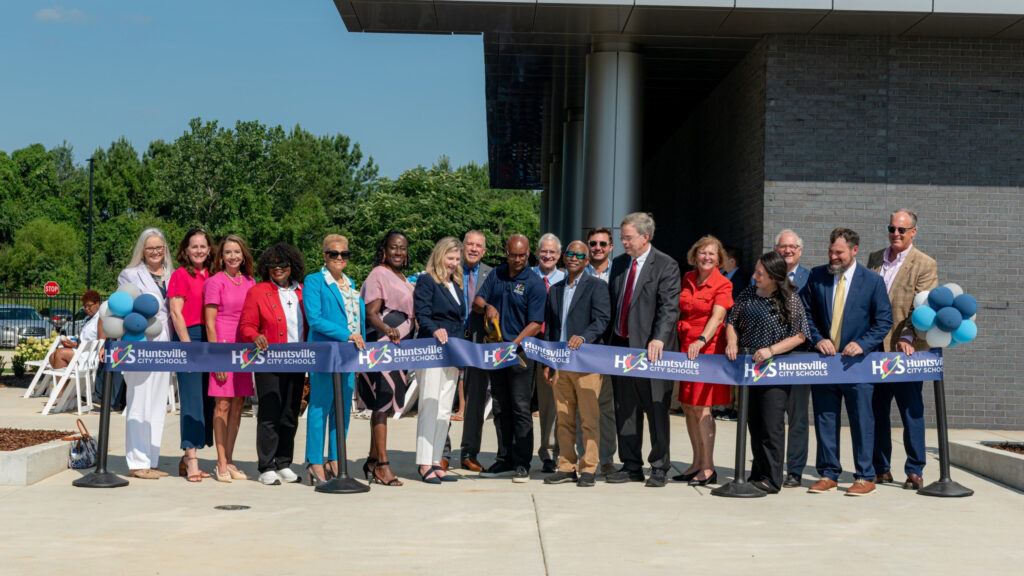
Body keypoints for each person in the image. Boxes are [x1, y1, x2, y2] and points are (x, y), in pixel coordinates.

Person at [801, 228, 892, 496]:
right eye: (830, 251)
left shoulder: (872, 281)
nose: (833, 256)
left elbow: (883, 320)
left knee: (862, 420)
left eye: (839, 252)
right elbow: (806, 314)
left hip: (858, 365)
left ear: (854, 251)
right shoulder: (817, 276)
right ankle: (829, 473)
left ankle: (865, 475)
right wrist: (818, 339)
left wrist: (862, 344)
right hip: (826, 363)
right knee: (825, 418)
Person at [605, 212, 681, 488]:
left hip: (652, 351)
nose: (623, 242)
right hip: (621, 348)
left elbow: (669, 307)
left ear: (644, 237)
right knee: (625, 409)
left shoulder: (666, 265)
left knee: (656, 408)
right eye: (622, 237)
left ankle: (659, 466)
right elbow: (613, 305)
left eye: (628, 237)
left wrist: (659, 338)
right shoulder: (619, 265)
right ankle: (631, 464)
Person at [725, 251, 809, 493]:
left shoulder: (790, 299)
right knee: (754, 423)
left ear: (773, 276)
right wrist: (732, 341)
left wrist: (771, 350)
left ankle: (772, 479)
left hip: (774, 371)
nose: (755, 276)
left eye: (760, 273)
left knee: (771, 425)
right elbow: (732, 320)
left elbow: (800, 335)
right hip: (749, 370)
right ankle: (757, 473)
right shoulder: (748, 293)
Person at [868, 210, 937, 490]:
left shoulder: (925, 263)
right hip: (874, 349)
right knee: (876, 412)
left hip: (904, 351)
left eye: (901, 230)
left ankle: (914, 470)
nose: (895, 234)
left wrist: (907, 336)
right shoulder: (874, 258)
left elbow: (922, 306)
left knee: (911, 411)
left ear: (913, 232)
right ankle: (880, 468)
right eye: (891, 229)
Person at [474, 234, 546, 483]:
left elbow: (536, 324)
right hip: (495, 352)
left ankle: (522, 462)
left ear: (528, 254)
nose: (517, 260)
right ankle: (503, 458)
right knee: (500, 406)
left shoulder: (534, 283)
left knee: (520, 408)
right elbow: (478, 301)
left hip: (520, 354)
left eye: (522, 255)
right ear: (506, 252)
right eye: (513, 255)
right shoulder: (496, 274)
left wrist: (513, 346)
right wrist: (487, 307)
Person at [542, 240, 610, 487]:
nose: (573, 258)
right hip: (561, 364)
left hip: (587, 363)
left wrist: (583, 337)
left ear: (586, 260)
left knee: (589, 419)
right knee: (564, 418)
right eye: (569, 254)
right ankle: (566, 466)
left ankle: (589, 468)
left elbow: (602, 320)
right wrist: (548, 362)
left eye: (579, 255)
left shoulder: (597, 286)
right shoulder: (556, 290)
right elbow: (550, 328)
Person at [239, 243, 307, 486]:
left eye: (283, 264)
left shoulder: (303, 291)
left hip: (298, 361)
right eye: (272, 265)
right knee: (269, 412)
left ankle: (284, 462)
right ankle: (266, 466)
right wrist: (253, 336)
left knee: (290, 413)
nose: (277, 269)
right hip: (268, 361)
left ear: (293, 266)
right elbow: (246, 325)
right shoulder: (258, 291)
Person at [303, 234, 366, 486]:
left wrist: (360, 348)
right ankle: (314, 461)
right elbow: (315, 318)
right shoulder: (315, 281)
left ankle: (336, 459)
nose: (339, 258)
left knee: (342, 410)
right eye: (333, 253)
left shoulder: (350, 284)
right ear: (324, 256)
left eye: (344, 254)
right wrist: (348, 334)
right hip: (325, 353)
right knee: (319, 407)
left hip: (349, 356)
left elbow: (359, 320)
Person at [115, 228, 175, 480]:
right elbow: (123, 309)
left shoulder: (173, 275)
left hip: (166, 343)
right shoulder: (129, 275)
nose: (155, 252)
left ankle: (151, 459)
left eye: (159, 247)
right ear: (142, 249)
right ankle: (137, 461)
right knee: (139, 400)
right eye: (150, 247)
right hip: (139, 343)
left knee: (158, 403)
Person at [358, 230, 416, 487]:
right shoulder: (378, 274)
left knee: (387, 405)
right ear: (384, 249)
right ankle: (382, 465)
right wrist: (387, 330)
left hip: (399, 351)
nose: (398, 252)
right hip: (382, 347)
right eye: (394, 247)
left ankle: (372, 459)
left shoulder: (403, 277)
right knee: (381, 405)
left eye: (402, 248)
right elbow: (372, 313)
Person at [675, 235, 733, 486]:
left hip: (706, 347)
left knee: (702, 406)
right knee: (687, 405)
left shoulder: (723, 283)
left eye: (712, 254)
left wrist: (701, 340)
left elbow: (718, 317)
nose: (707, 257)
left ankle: (708, 467)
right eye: (702, 253)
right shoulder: (687, 278)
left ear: (719, 258)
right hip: (684, 344)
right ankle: (696, 462)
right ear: (694, 255)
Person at [204, 234, 257, 482]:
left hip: (244, 351)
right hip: (223, 348)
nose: (233, 256)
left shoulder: (250, 281)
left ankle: (231, 459)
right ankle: (221, 461)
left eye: (237, 252)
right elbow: (210, 322)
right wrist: (217, 359)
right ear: (221, 257)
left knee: (238, 405)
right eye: (228, 252)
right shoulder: (215, 282)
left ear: (243, 255)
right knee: (222, 405)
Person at [413, 237, 466, 484]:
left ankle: (436, 460)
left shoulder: (456, 284)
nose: (454, 263)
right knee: (429, 405)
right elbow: (422, 313)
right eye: (450, 258)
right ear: (440, 256)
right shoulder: (426, 280)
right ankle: (424, 462)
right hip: (432, 350)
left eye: (457, 259)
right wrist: (434, 329)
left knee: (445, 409)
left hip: (453, 353)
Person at [167, 227, 215, 483]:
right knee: (192, 398)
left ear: (209, 250)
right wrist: (187, 346)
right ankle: (191, 456)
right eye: (194, 246)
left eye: (203, 246)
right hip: (190, 337)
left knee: (209, 399)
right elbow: (176, 313)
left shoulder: (213, 275)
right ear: (186, 250)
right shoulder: (180, 275)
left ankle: (191, 455)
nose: (199, 250)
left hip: (212, 337)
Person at [772, 229, 813, 488]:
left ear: (800, 250)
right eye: (783, 246)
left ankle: (795, 469)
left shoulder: (812, 278)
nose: (787, 250)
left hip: (800, 355)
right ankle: (771, 465)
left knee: (797, 417)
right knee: (772, 415)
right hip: (770, 356)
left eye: (792, 246)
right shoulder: (767, 275)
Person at [583, 227, 617, 476]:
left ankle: (606, 458)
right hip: (581, 348)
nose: (597, 248)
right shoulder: (575, 271)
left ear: (611, 247)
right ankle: (582, 457)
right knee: (579, 405)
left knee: (606, 407)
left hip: (609, 348)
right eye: (593, 243)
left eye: (602, 244)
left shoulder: (619, 273)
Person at [458, 230, 493, 472]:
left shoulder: (493, 274)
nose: (473, 249)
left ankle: (469, 453)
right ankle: (441, 451)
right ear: (462, 247)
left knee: (476, 401)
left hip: (480, 343)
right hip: (450, 340)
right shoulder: (448, 268)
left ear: (484, 251)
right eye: (469, 244)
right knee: (442, 399)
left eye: (478, 246)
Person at [531, 232, 565, 473]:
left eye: (552, 252)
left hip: (552, 346)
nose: (548, 255)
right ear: (537, 252)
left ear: (559, 255)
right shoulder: (527, 276)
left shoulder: (566, 279)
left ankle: (550, 452)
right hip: (526, 345)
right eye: (544, 251)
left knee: (551, 402)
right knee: (523, 402)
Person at [51, 291, 101, 369]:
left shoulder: (100, 319)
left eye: (89, 306)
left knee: (60, 353)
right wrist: (73, 344)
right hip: (81, 350)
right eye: (85, 306)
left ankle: (62, 381)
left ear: (97, 303)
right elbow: (84, 339)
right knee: (52, 357)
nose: (87, 309)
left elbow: (100, 342)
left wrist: (78, 346)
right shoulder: (87, 318)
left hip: (89, 355)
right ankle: (66, 380)